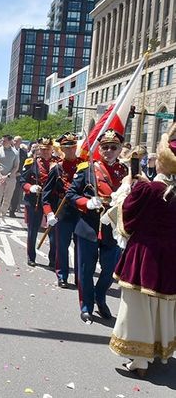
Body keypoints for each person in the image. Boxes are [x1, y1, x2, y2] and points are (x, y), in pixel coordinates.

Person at [108, 123, 176, 375]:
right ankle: (158, 351)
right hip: (170, 257)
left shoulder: (147, 189)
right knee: (162, 306)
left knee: (137, 306)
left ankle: (139, 360)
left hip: (144, 255)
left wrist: (129, 186)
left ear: (162, 162)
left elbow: (124, 219)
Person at [66, 129, 127, 323]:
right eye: (105, 147)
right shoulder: (87, 168)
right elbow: (71, 195)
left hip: (112, 227)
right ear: (99, 149)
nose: (109, 151)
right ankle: (86, 305)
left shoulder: (125, 172)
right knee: (85, 269)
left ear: (119, 150)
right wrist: (86, 203)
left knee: (110, 270)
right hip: (89, 225)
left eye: (113, 147)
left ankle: (101, 298)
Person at [42, 132, 82, 288]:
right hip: (62, 211)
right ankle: (62, 275)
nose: (70, 150)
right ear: (62, 150)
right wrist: (49, 212)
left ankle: (80, 277)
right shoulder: (57, 168)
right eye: (67, 147)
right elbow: (46, 195)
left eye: (72, 147)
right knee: (62, 246)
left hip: (81, 212)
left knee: (81, 248)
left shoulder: (84, 166)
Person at [20, 137, 58, 268]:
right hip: (34, 199)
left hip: (51, 200)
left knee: (53, 232)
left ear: (52, 149)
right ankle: (31, 256)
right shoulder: (31, 162)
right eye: (43, 149)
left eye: (48, 149)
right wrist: (30, 188)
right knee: (33, 230)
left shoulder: (58, 164)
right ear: (39, 149)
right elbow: (22, 181)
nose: (45, 152)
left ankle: (53, 259)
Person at [0, 135, 19, 223]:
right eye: (2, 140)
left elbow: (16, 167)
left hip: (10, 178)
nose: (2, 142)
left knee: (7, 199)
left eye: (4, 141)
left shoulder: (15, 152)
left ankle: (2, 215)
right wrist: (0, 176)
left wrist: (7, 175)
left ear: (10, 141)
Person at [10, 136, 28, 217]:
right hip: (7, 175)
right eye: (14, 140)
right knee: (6, 192)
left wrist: (21, 173)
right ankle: (3, 208)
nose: (15, 142)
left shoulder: (23, 153)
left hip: (18, 175)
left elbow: (26, 165)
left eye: (17, 141)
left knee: (16, 194)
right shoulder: (9, 150)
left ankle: (12, 210)